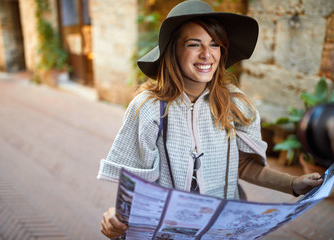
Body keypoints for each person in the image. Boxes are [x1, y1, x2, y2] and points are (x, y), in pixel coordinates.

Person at [97, 0, 323, 239]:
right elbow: (136, 184)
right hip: (168, 232)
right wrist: (117, 217)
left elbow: (244, 165)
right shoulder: (149, 107)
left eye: (214, 44)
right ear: (172, 50)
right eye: (194, 44)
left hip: (222, 228)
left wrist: (293, 183)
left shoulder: (236, 104)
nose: (207, 54)